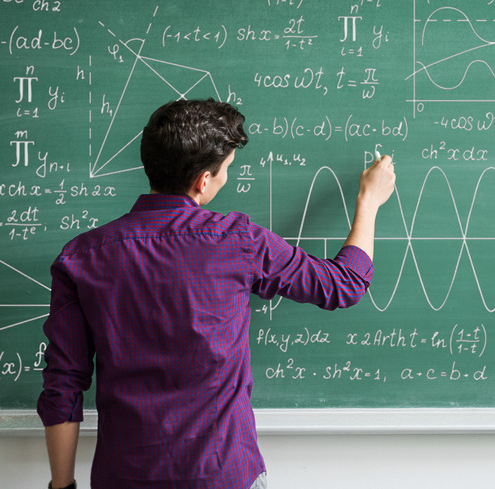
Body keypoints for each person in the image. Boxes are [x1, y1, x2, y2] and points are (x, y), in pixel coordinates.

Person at [37, 99, 396, 489]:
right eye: (226, 171)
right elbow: (343, 284)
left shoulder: (82, 256)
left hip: (125, 475)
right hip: (222, 474)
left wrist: (62, 485)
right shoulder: (238, 241)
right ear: (202, 181)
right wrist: (369, 202)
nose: (227, 178)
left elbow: (63, 384)